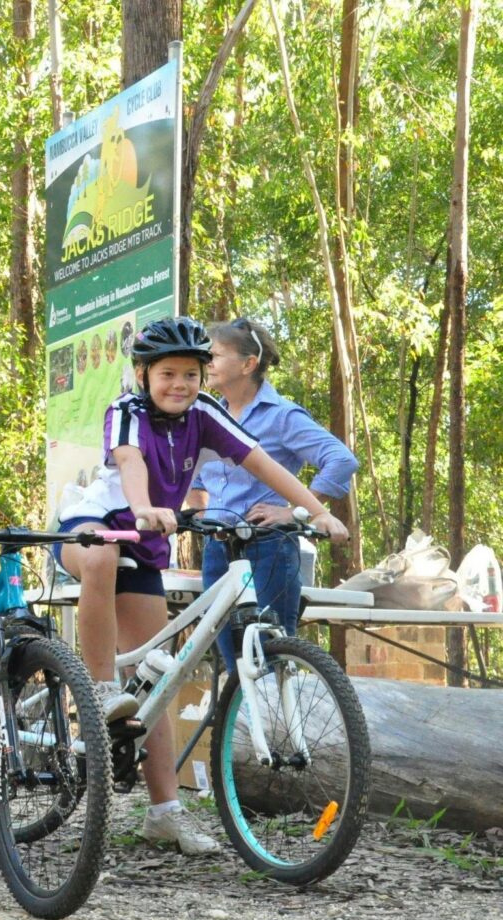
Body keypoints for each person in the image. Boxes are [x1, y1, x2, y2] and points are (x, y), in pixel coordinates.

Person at [54, 317, 348, 855]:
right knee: (100, 554)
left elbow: (261, 463)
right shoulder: (126, 411)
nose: (180, 385)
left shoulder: (205, 414)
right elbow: (131, 461)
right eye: (167, 373)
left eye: (191, 374)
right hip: (95, 526)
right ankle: (97, 688)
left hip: (144, 546)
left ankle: (165, 813)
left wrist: (313, 512)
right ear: (143, 374)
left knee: (160, 680)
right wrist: (143, 507)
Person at [185, 318, 359, 671]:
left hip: (268, 547)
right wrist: (201, 509)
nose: (207, 365)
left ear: (248, 364)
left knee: (270, 653)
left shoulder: (282, 416)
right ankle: (242, 727)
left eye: (215, 356)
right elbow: (194, 471)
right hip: (219, 549)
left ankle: (278, 727)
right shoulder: (206, 413)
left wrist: (294, 511)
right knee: (232, 658)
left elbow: (340, 460)